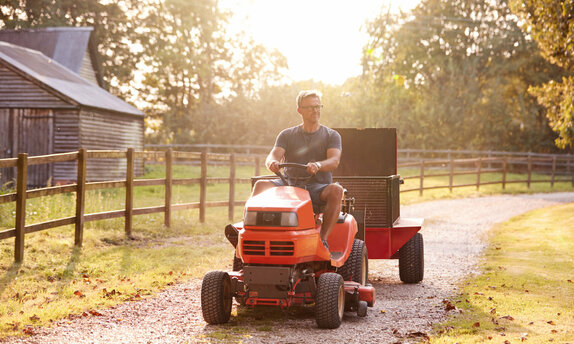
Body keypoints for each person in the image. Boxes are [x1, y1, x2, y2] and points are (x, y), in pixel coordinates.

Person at [251, 90, 343, 251]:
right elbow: (273, 155)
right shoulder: (286, 135)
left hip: (317, 187)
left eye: (318, 106)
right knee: (260, 185)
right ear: (299, 110)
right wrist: (272, 162)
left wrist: (318, 165)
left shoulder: (331, 135)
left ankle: (322, 241)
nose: (315, 110)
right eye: (310, 107)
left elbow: (334, 161)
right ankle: (252, 232)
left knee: (336, 190)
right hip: (288, 184)